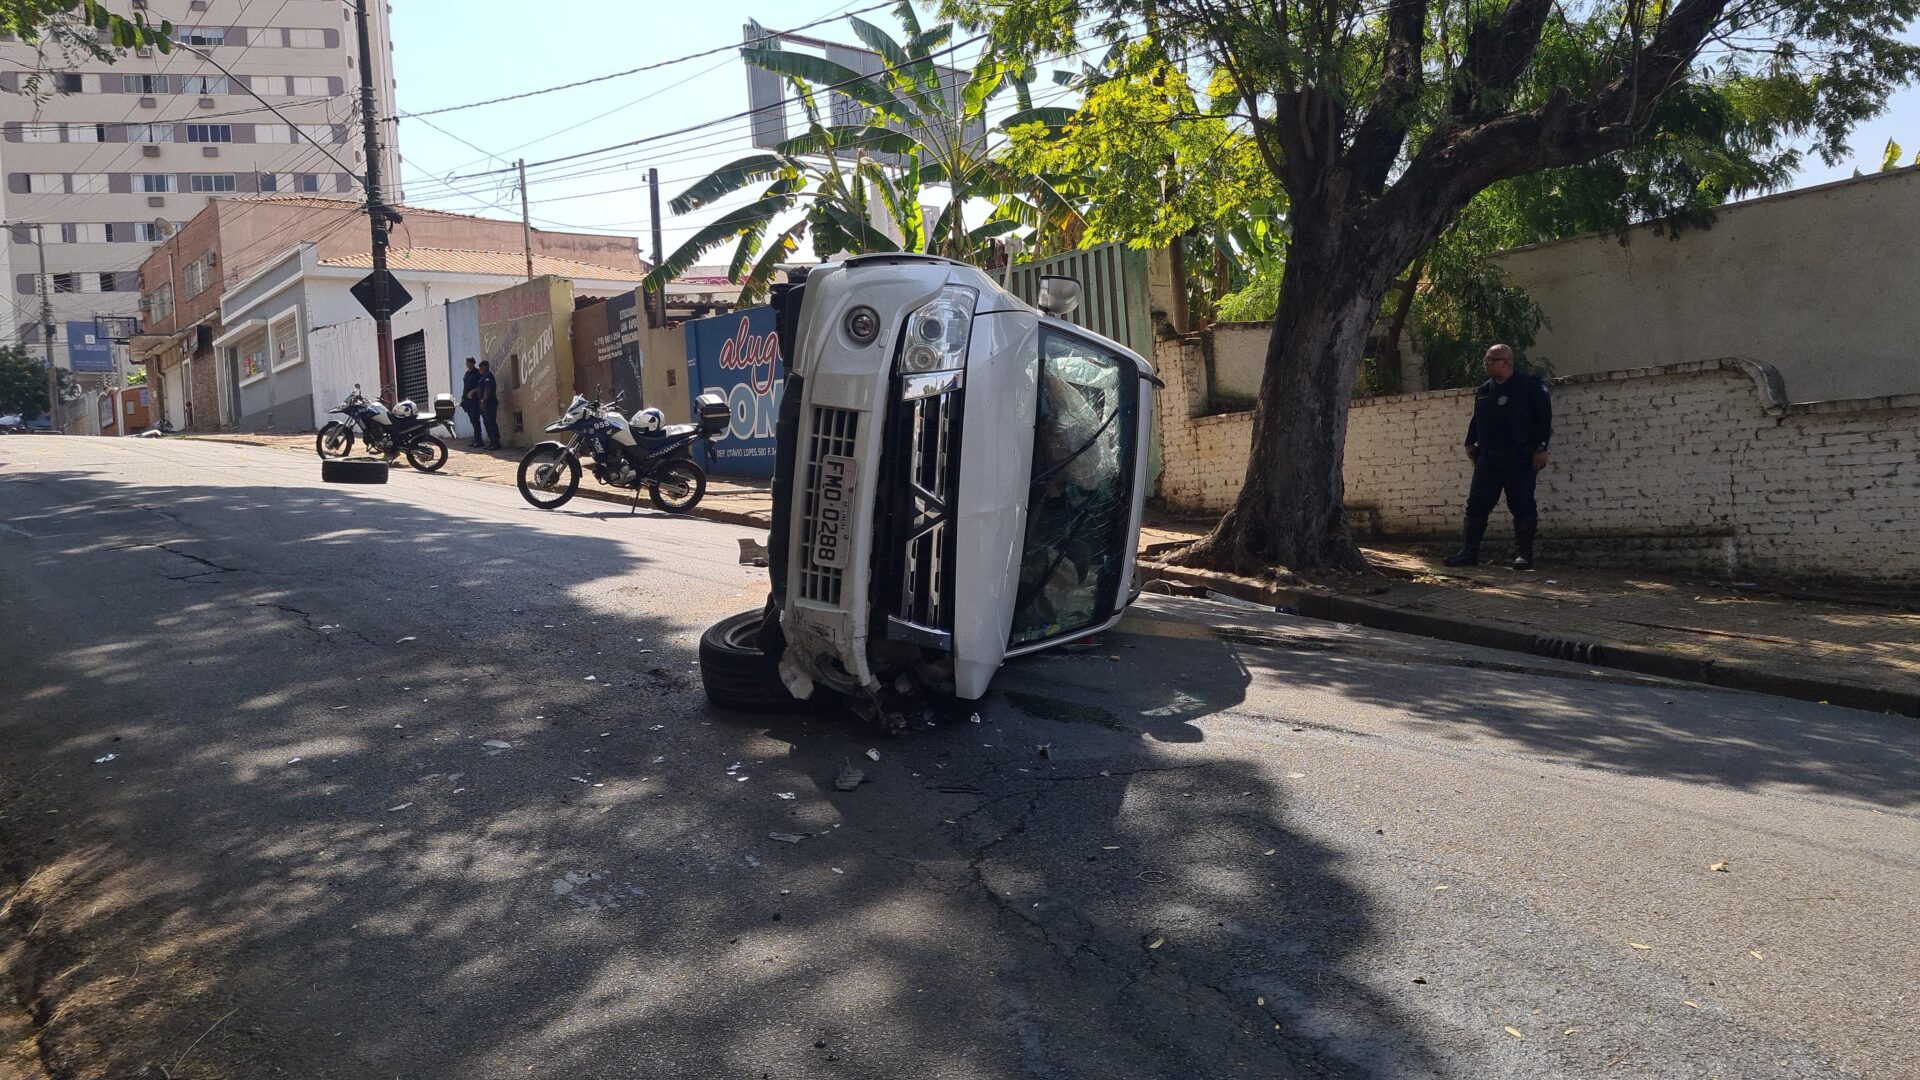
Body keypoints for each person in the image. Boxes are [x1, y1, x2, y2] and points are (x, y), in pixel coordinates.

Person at [1445, 343, 1552, 570]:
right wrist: (1469, 442)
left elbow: (1544, 419)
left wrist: (1541, 448)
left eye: (1490, 360)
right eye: (1486, 360)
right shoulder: (1485, 390)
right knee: (1476, 505)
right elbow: (1478, 418)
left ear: (1505, 362)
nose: (1486, 364)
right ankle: (1469, 553)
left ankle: (1524, 554)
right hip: (1489, 459)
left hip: (1520, 457)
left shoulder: (1529, 387)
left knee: (1521, 504)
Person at [475, 359, 501, 450]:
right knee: (487, 423)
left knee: (491, 423)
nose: (480, 369)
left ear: (485, 367)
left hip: (489, 403)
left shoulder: (488, 376)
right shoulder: (483, 376)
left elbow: (488, 389)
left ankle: (496, 443)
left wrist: (484, 400)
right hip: (485, 404)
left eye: (481, 367)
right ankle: (492, 442)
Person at [459, 357, 483, 448]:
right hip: (467, 401)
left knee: (475, 420)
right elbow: (465, 386)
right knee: (472, 421)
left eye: (470, 363)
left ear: (473, 363)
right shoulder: (467, 373)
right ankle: (476, 439)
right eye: (467, 363)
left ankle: (479, 441)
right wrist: (462, 396)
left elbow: (481, 386)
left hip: (474, 401)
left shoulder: (477, 373)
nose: (468, 365)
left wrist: (473, 391)